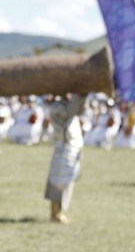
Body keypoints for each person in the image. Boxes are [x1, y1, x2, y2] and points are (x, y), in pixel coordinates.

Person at [44, 93, 87, 224]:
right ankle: (56, 213)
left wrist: (83, 95)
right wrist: (80, 93)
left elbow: (79, 110)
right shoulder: (59, 107)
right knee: (59, 183)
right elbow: (74, 109)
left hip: (69, 149)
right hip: (64, 149)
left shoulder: (65, 106)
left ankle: (58, 212)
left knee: (65, 183)